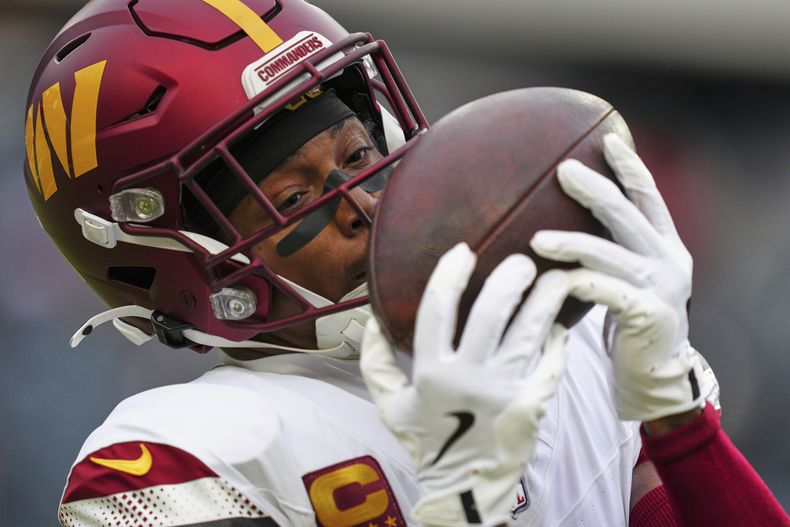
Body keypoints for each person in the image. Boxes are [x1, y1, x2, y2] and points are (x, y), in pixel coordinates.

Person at [23, 0, 716, 525]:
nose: (366, 204)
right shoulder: (180, 458)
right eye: (295, 196)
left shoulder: (566, 327)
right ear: (174, 263)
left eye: (359, 155)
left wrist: (681, 424)